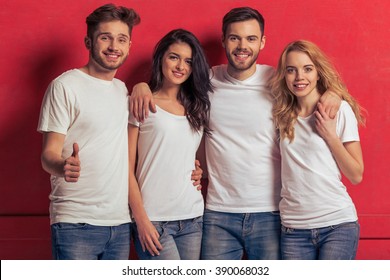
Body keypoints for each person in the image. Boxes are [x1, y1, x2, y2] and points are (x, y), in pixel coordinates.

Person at [129, 7, 340, 260]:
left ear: (262, 42)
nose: (242, 46)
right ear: (224, 41)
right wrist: (141, 86)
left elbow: (311, 83)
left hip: (269, 213)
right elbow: (170, 94)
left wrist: (334, 93)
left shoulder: (278, 81)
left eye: (251, 38)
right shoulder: (205, 82)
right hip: (218, 215)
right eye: (234, 38)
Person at [37, 4, 140, 260]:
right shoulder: (65, 86)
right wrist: (62, 166)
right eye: (105, 37)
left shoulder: (122, 91)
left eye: (121, 39)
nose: (114, 46)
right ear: (88, 41)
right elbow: (48, 154)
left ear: (129, 46)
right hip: (76, 222)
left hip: (119, 222)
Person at [270, 40, 365, 260]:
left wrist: (330, 135)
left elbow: (356, 174)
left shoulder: (338, 110)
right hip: (293, 229)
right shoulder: (281, 115)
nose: (299, 77)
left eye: (307, 69)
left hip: (337, 225)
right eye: (291, 70)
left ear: (318, 73)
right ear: (284, 75)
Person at [129, 29, 212, 260]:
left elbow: (190, 156)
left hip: (193, 217)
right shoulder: (142, 102)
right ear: (161, 59)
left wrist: (199, 169)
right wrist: (142, 220)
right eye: (174, 57)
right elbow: (125, 167)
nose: (180, 66)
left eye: (188, 61)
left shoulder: (198, 108)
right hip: (154, 219)